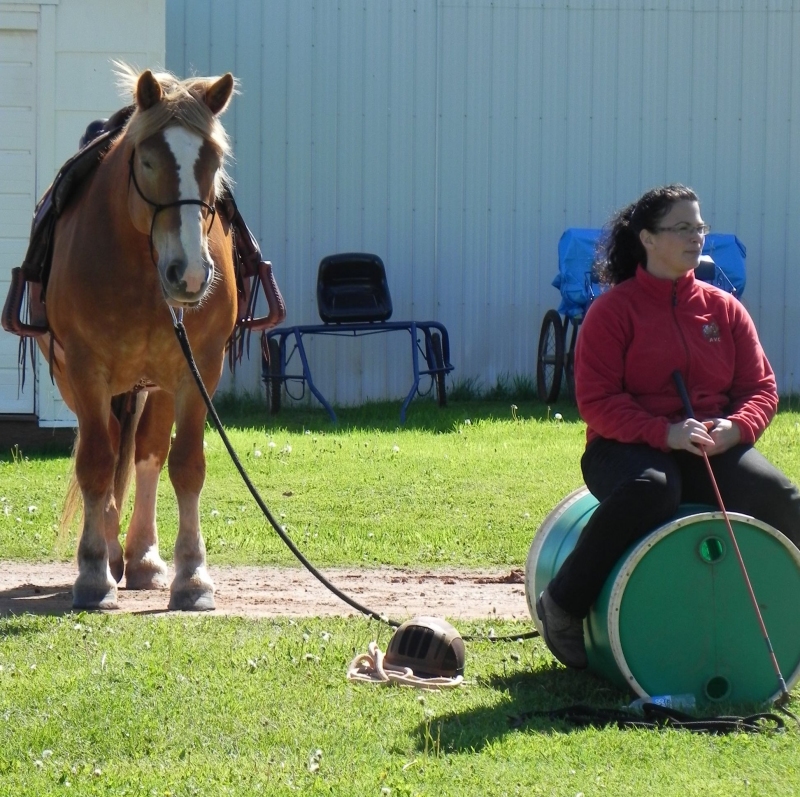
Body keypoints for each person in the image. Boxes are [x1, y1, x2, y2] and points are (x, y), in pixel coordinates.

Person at [536, 184, 800, 670]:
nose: (696, 236)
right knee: (653, 488)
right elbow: (596, 403)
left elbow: (762, 389)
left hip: (709, 444)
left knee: (782, 495)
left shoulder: (725, 309)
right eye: (682, 228)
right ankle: (563, 603)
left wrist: (736, 428)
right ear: (647, 239)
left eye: (700, 227)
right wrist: (665, 433)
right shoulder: (611, 312)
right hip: (623, 448)